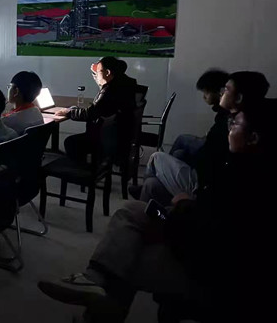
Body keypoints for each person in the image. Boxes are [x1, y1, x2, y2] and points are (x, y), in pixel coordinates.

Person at [37, 104, 274, 323]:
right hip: (196, 237)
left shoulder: (249, 181)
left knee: (126, 258)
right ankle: (95, 279)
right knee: (130, 211)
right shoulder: (240, 164)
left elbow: (210, 233)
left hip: (211, 269)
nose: (228, 128)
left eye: (234, 124)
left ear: (253, 138)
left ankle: (100, 299)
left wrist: (180, 209)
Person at [136, 70, 269, 206]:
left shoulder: (242, 130)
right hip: (202, 178)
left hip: (201, 186)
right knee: (151, 184)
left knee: (156, 157)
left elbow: (218, 170)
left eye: (226, 89)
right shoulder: (229, 119)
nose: (221, 92)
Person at [57, 57, 136, 162]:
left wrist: (69, 112)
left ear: (108, 72)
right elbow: (102, 107)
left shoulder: (110, 90)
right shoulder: (124, 84)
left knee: (71, 142)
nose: (96, 75)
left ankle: (81, 170)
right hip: (119, 134)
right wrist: (100, 77)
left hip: (107, 137)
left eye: (97, 72)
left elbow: (91, 113)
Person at [169, 69, 230, 166]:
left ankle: (167, 167)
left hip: (210, 152)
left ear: (219, 91)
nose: (204, 97)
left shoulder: (226, 113)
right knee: (179, 149)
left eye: (206, 92)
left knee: (180, 145)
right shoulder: (223, 111)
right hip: (210, 148)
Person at [2, 70, 44, 135]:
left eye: (9, 86)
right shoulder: (36, 111)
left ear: (16, 91)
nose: (8, 89)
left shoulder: (7, 121)